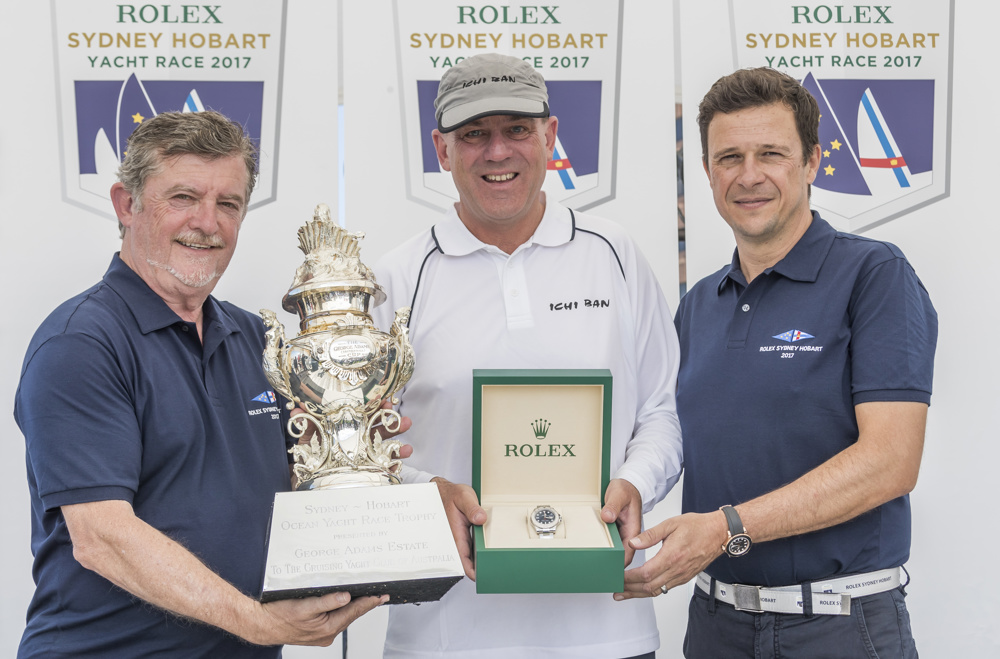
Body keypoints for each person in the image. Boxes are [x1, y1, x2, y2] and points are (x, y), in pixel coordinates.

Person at [14, 110, 386, 657]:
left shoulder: (258, 338)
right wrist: (258, 623)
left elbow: (306, 477)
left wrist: (400, 485)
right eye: (183, 198)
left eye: (228, 204)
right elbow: (102, 538)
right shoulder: (81, 344)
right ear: (126, 204)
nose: (208, 223)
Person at [371, 53, 683, 659]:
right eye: (473, 135)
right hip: (443, 637)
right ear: (441, 149)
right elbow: (360, 453)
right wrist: (424, 490)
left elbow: (661, 412)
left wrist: (635, 482)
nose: (497, 152)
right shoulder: (397, 278)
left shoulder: (614, 255)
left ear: (550, 135)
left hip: (605, 632)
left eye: (516, 129)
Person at [618, 68, 937, 658]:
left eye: (771, 153)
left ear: (812, 161)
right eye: (728, 157)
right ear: (708, 173)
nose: (749, 175)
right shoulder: (698, 306)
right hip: (715, 627)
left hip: (839, 629)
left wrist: (724, 528)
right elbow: (666, 436)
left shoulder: (874, 276)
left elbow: (891, 461)